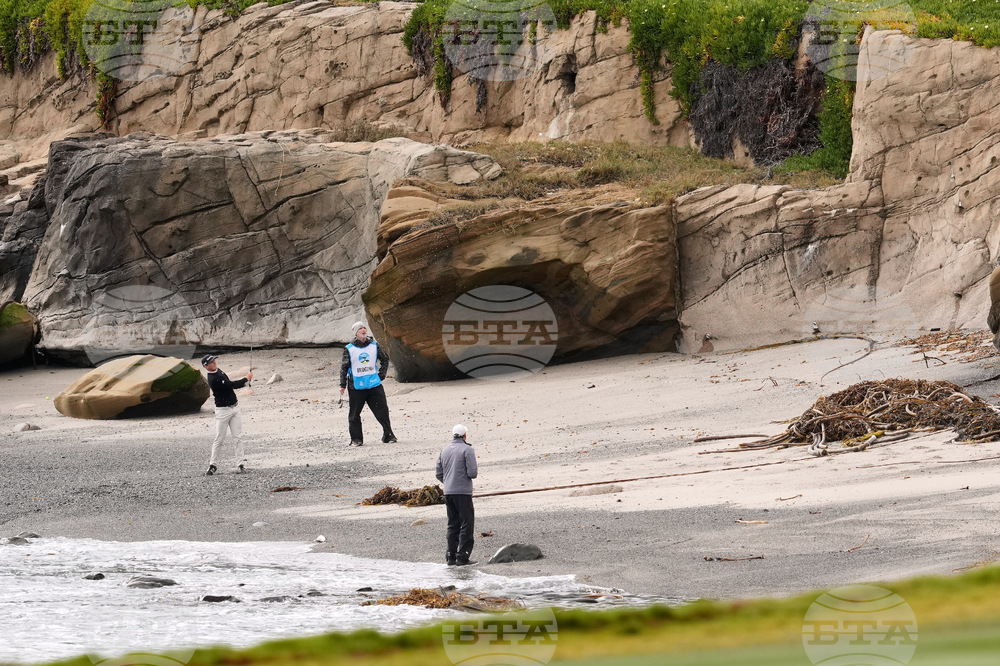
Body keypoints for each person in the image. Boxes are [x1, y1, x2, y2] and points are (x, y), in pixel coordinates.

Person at [339, 321, 396, 446]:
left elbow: (385, 359)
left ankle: (388, 435)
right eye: (360, 329)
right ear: (356, 333)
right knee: (354, 414)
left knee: (382, 411)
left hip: (374, 385)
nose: (363, 330)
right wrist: (342, 385)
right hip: (356, 387)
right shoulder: (349, 348)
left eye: (364, 327)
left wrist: (381, 375)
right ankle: (356, 439)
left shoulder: (374, 345)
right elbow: (344, 367)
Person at [202, 354, 252, 476]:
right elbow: (231, 385)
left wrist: (245, 382)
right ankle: (212, 465)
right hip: (223, 411)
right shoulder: (213, 379)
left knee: (238, 437)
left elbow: (230, 385)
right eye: (211, 362)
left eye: (214, 360)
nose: (214, 363)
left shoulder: (218, 371)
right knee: (219, 438)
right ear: (206, 366)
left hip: (235, 408)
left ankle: (240, 464)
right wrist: (246, 379)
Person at [436, 424, 478, 566]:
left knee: (452, 523)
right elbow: (472, 473)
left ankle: (451, 555)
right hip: (462, 492)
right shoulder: (467, 449)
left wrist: (448, 482)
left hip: (448, 491)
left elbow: (438, 473)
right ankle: (463, 556)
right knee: (467, 522)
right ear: (465, 435)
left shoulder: (444, 450)